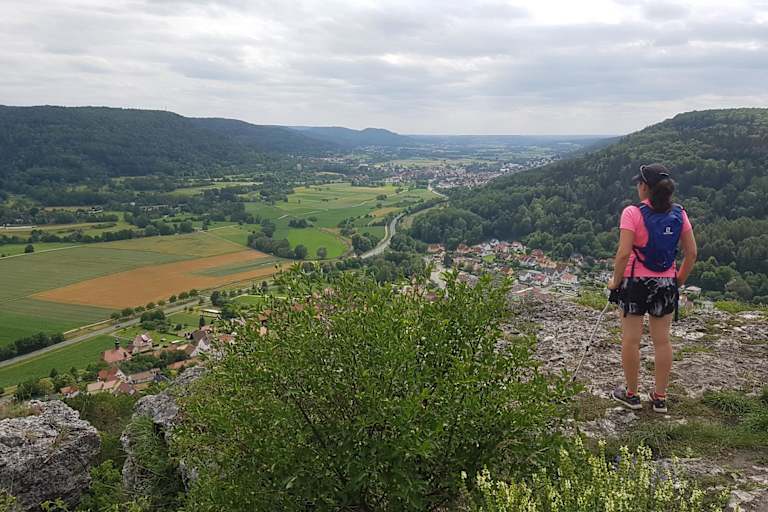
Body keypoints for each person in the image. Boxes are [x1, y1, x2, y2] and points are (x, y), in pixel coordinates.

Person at [607, 163, 697, 413]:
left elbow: (624, 253)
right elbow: (692, 253)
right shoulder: (679, 213)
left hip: (635, 282)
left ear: (644, 187)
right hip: (665, 282)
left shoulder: (631, 213)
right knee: (662, 341)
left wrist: (615, 282)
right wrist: (676, 281)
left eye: (639, 183)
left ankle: (632, 394)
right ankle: (659, 398)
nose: (637, 186)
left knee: (631, 340)